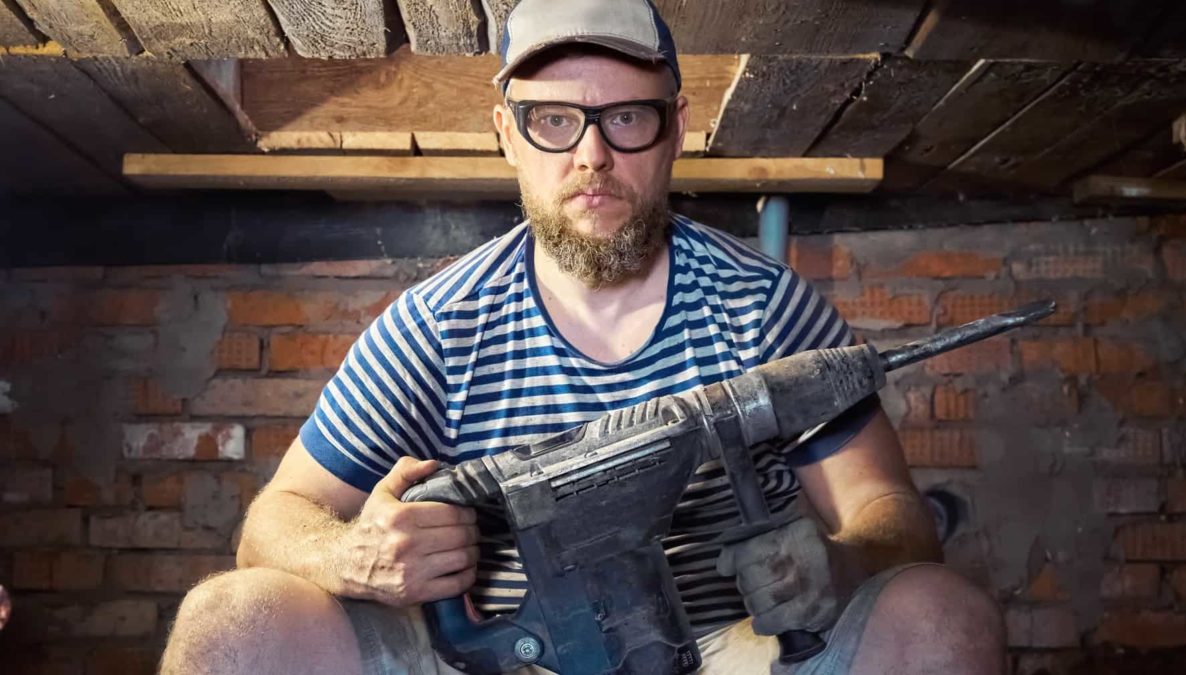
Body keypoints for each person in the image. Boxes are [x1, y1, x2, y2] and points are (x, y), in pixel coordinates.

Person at [161, 1, 1004, 673]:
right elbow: (270, 524)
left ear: (675, 127)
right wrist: (353, 555)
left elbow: (891, 515)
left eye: (626, 117)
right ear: (507, 133)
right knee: (233, 622)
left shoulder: (764, 309)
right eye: (554, 120)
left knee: (941, 617)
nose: (592, 155)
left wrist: (841, 563)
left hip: (730, 649)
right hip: (505, 655)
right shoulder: (436, 327)